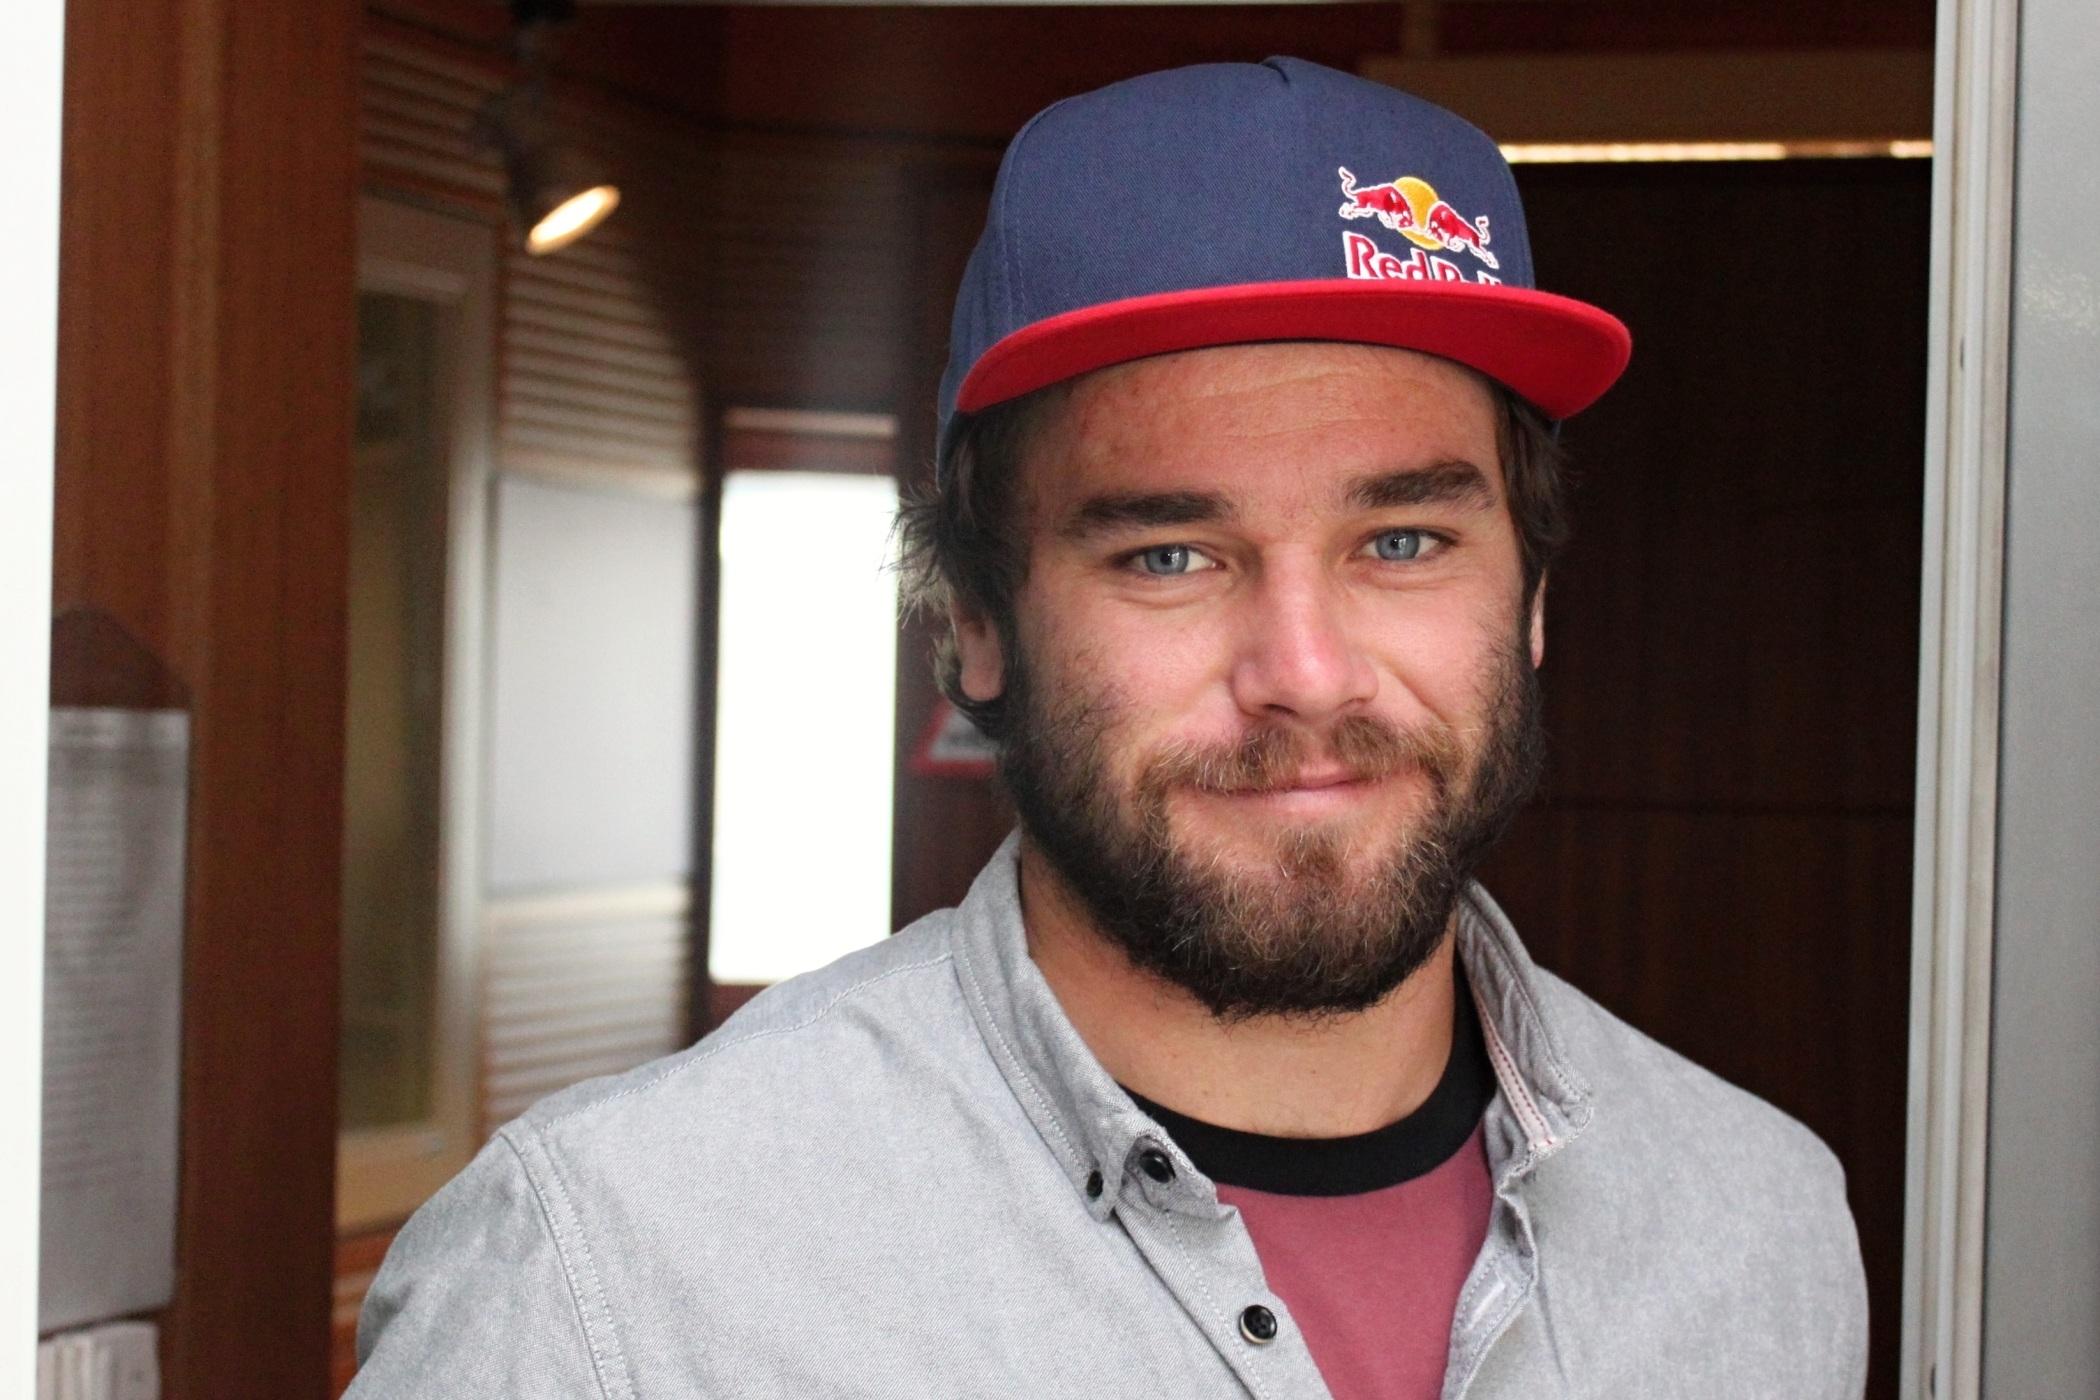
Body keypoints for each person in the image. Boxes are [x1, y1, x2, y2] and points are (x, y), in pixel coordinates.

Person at [351, 57, 1867, 1399]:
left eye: (1404, 540)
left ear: (1530, 596)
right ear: (975, 622)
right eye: (1169, 556)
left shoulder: (1756, 1225)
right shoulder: (607, 1283)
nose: (1306, 673)